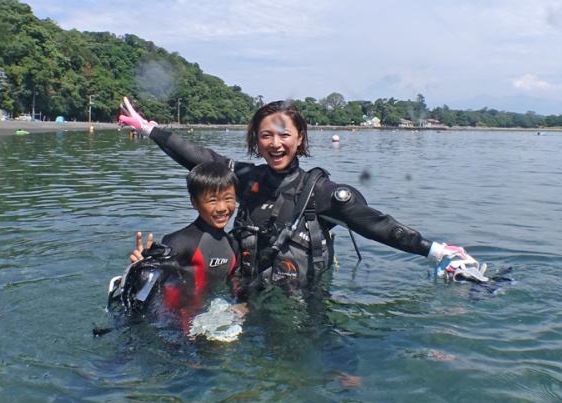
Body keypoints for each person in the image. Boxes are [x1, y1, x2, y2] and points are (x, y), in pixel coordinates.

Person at [119, 97, 480, 298]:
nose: (275, 144)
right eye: (265, 136)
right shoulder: (245, 179)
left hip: (304, 306)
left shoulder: (322, 193)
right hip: (248, 294)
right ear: (255, 140)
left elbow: (379, 227)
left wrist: (437, 251)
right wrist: (150, 129)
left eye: (284, 135)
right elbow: (200, 158)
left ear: (300, 137)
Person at [114, 161, 243, 335]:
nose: (221, 208)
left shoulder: (232, 245)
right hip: (170, 323)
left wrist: (241, 304)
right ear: (195, 203)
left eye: (228, 199)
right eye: (212, 201)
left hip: (203, 317)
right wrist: (141, 268)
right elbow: (150, 287)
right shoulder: (181, 241)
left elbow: (234, 285)